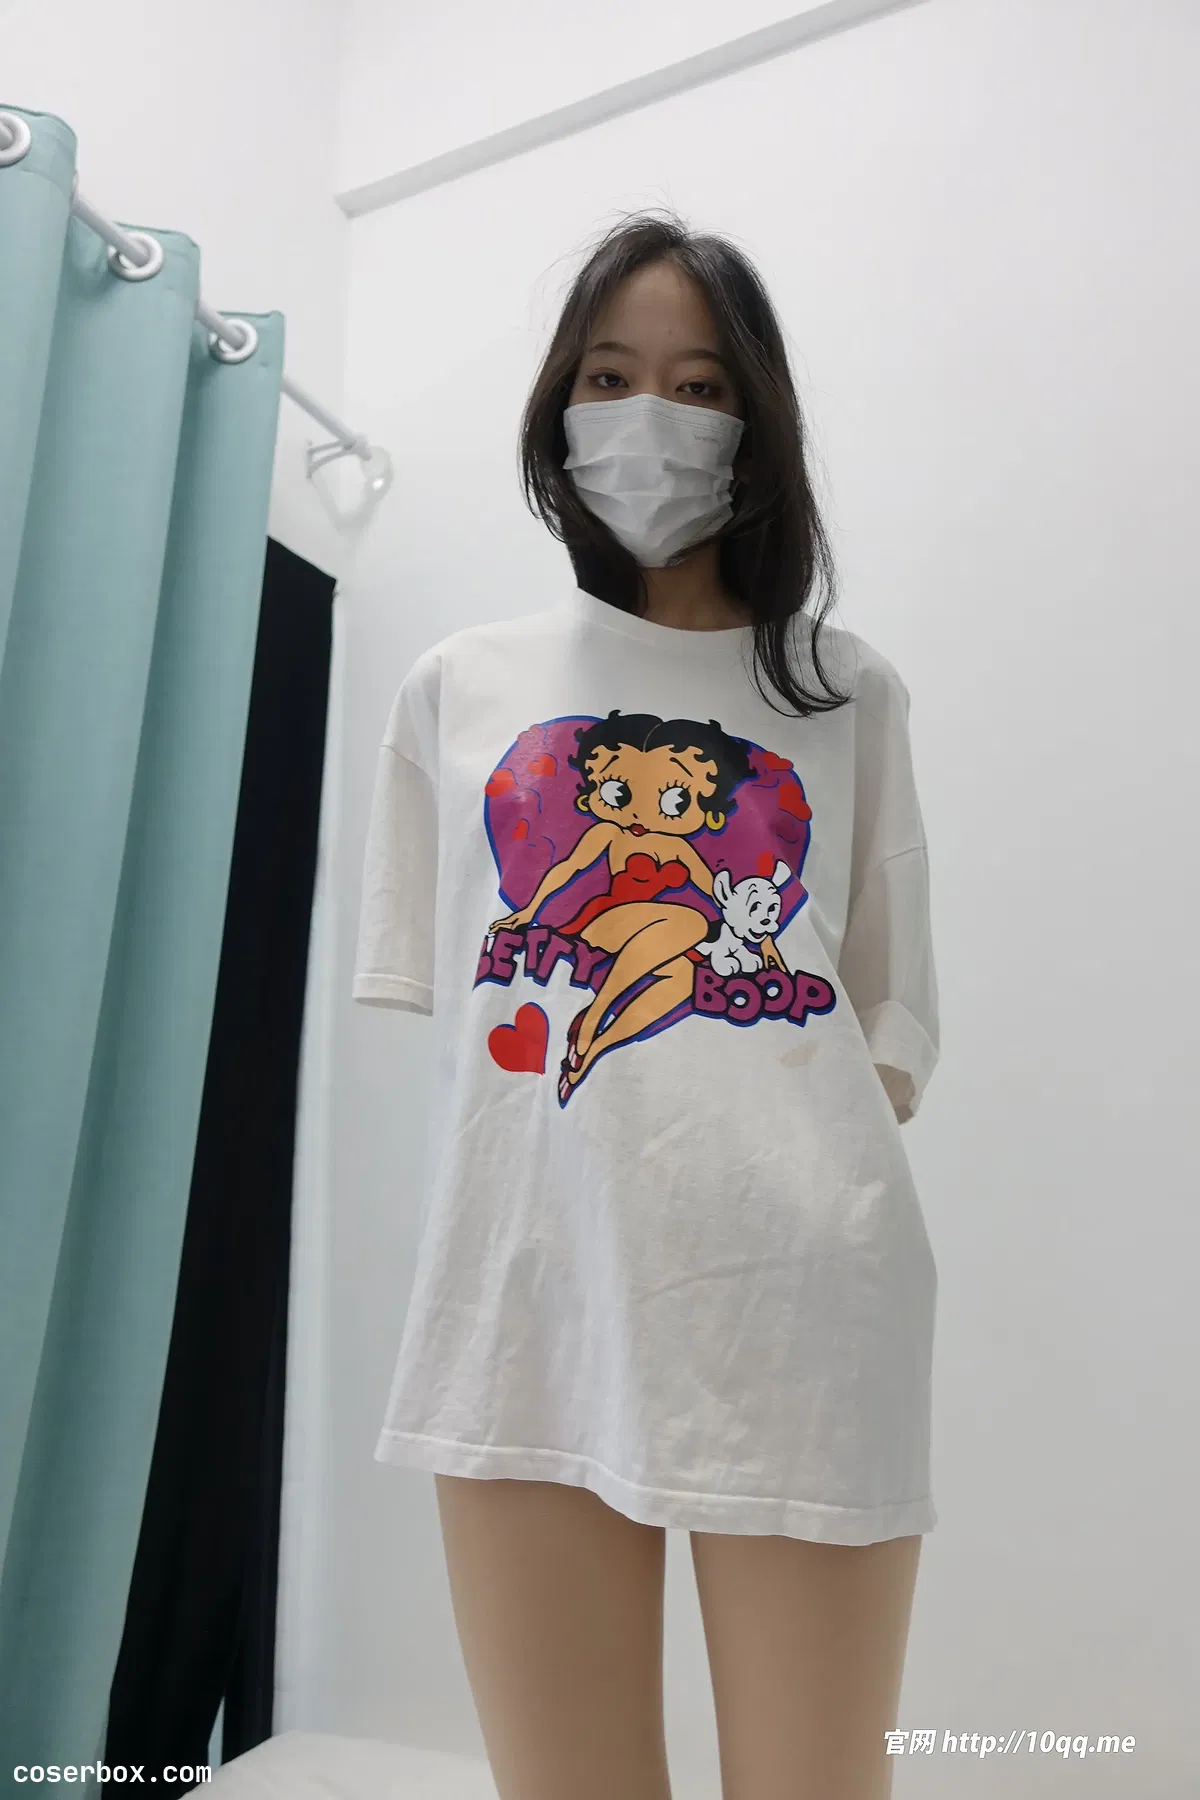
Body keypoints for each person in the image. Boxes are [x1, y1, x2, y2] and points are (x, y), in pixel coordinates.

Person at [354, 208, 940, 1800]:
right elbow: (467, 996)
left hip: (797, 1305)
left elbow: (888, 1035)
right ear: (559, 408)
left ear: (757, 424)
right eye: (609, 377)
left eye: (698, 385)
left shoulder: (844, 690)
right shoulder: (458, 688)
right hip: (523, 1296)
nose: (649, 419)